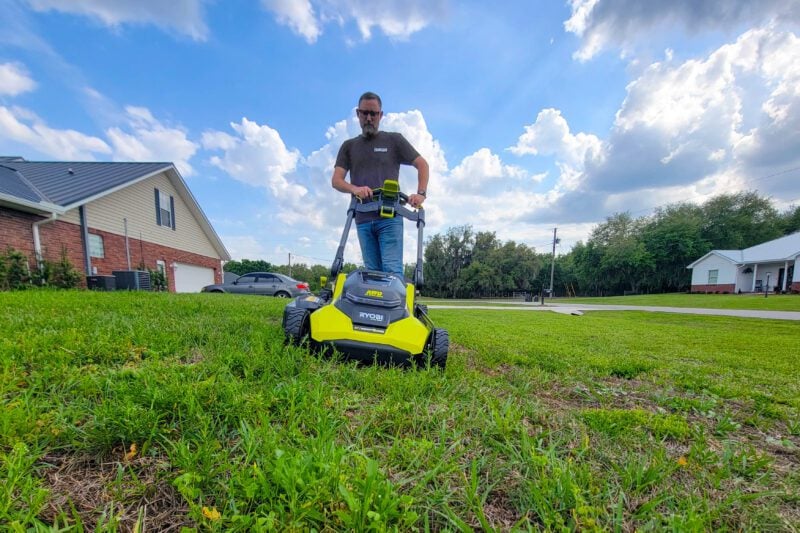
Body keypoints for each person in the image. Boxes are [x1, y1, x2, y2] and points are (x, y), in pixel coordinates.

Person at [331, 91, 429, 278]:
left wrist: (421, 193)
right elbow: (336, 180)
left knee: (392, 273)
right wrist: (355, 189)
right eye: (364, 113)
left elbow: (422, 164)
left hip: (389, 217)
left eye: (373, 114)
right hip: (363, 218)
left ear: (380, 115)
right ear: (358, 114)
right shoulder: (349, 146)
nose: (369, 118)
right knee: (371, 275)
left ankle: (396, 307)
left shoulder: (394, 140)